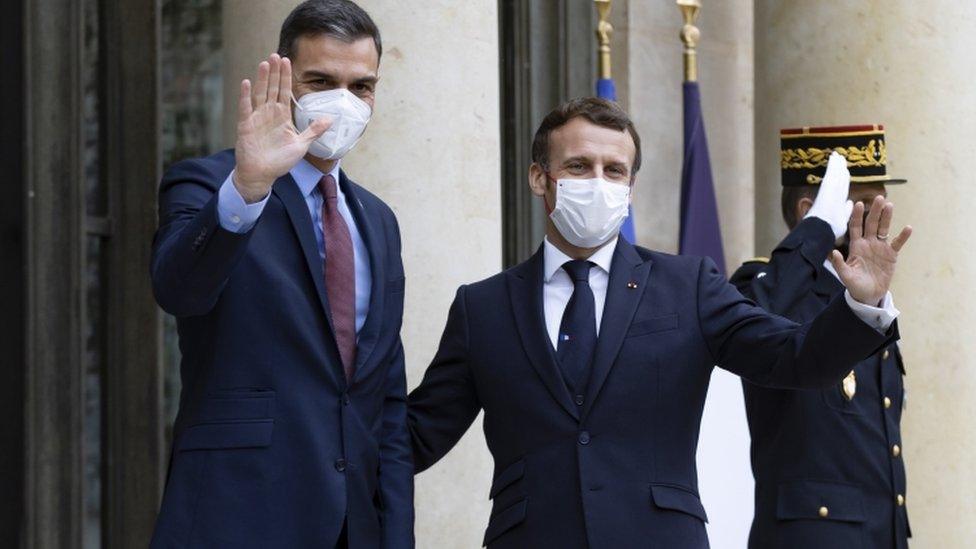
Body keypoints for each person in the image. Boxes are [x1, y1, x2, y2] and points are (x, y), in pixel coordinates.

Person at [406, 99, 912, 548]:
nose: (597, 183)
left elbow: (793, 358)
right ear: (541, 178)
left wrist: (859, 307)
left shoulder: (685, 284)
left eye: (614, 170)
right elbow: (418, 435)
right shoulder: (483, 306)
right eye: (579, 167)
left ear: (631, 186)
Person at [149, 1, 412, 547]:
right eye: (321, 80)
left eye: (361, 86)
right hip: (238, 515)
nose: (344, 100)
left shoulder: (378, 221)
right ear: (285, 78)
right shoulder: (211, 183)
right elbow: (178, 289)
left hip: (354, 526)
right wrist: (247, 188)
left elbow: (383, 400)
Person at [730, 125, 910, 548]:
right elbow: (750, 321)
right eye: (864, 205)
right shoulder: (765, 283)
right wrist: (814, 234)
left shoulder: (868, 298)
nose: (880, 216)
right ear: (811, 210)